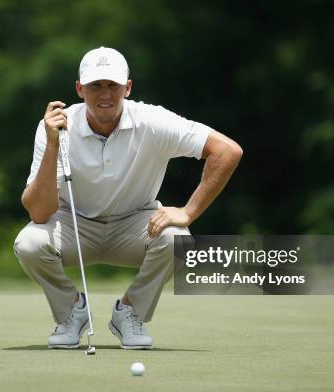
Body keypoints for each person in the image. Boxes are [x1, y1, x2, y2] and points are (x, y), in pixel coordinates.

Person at [14, 47, 242, 350]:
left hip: (135, 224)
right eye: (95, 85)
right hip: (73, 225)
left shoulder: (152, 120)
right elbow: (40, 213)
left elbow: (228, 151)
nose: (105, 94)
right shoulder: (55, 127)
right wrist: (54, 145)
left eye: (113, 85)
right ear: (80, 89)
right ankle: (71, 311)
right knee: (29, 243)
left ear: (128, 88)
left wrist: (189, 211)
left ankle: (129, 312)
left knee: (178, 238)